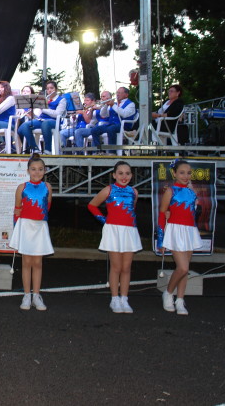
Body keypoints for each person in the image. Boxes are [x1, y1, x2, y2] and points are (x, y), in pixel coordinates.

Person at [87, 161, 141, 313]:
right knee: (116, 267)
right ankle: (114, 299)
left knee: (126, 267)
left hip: (129, 231)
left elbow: (132, 210)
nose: (124, 176)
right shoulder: (109, 190)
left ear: (131, 175)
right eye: (121, 173)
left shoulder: (134, 192)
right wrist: (105, 220)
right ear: (114, 175)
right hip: (113, 230)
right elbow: (92, 205)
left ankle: (125, 299)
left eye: (128, 173)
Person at [157, 159, 202, 316]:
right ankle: (168, 293)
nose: (185, 176)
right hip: (175, 231)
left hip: (189, 231)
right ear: (174, 173)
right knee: (182, 267)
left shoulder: (192, 192)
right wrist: (161, 239)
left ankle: (180, 300)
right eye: (182, 172)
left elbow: (193, 213)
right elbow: (162, 214)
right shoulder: (171, 191)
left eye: (188, 173)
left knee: (185, 270)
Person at [10, 154, 53, 310]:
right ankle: (27, 295)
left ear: (44, 171)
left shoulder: (48, 187)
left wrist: (39, 220)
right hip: (25, 227)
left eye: (40, 169)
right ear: (28, 170)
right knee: (26, 263)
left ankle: (36, 295)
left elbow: (47, 206)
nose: (37, 172)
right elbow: (17, 210)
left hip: (40, 227)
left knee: (38, 263)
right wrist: (17, 231)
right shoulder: (22, 187)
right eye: (34, 169)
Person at [17, 81, 64, 154]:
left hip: (54, 121)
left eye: (51, 88)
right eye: (48, 89)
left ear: (56, 89)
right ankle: (35, 148)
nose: (49, 90)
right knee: (23, 127)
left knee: (45, 123)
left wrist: (43, 109)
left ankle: (48, 150)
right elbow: (38, 115)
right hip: (41, 120)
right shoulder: (44, 99)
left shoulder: (61, 100)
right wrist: (31, 112)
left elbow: (57, 114)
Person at [89, 86, 138, 150]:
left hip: (124, 125)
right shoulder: (114, 103)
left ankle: (112, 152)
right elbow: (103, 115)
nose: (117, 94)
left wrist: (113, 105)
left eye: (120, 93)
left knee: (110, 129)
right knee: (94, 130)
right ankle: (99, 150)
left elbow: (124, 114)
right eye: (117, 93)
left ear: (126, 95)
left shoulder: (131, 104)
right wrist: (106, 105)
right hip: (112, 125)